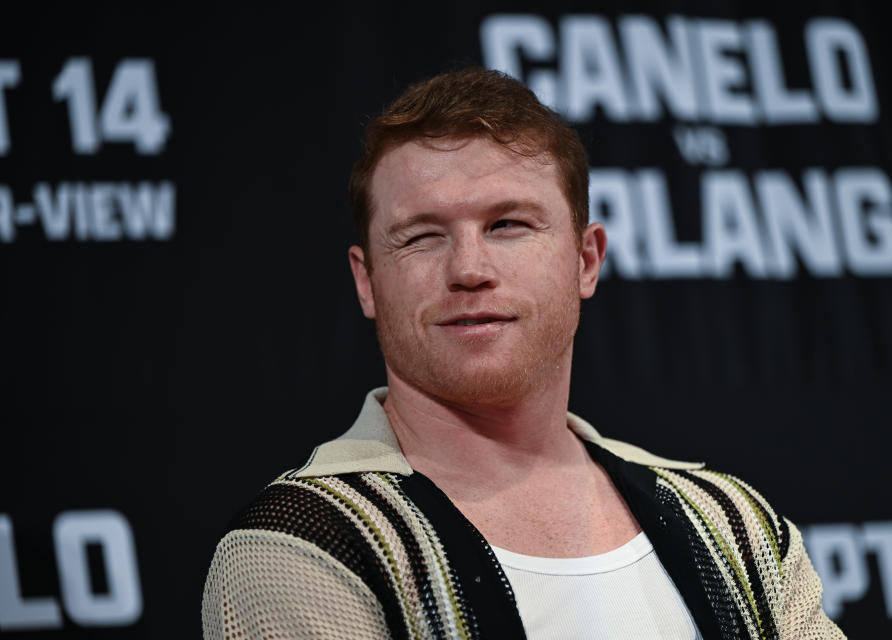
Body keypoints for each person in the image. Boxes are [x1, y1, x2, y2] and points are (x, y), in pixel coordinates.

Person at [202, 68, 845, 640]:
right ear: (367, 281)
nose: (469, 269)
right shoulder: (303, 547)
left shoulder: (735, 527)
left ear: (585, 259)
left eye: (508, 224)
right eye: (422, 236)